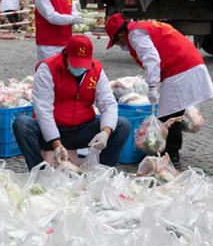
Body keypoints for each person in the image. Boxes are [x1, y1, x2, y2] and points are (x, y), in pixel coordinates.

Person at [104, 13, 213, 165]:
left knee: (169, 114)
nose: (121, 45)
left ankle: (171, 155)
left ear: (121, 34)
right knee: (173, 111)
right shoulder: (142, 28)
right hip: (186, 63)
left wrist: (152, 86)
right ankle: (168, 154)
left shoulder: (135, 35)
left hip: (180, 67)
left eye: (118, 42)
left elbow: (152, 59)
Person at [13, 35, 129, 171]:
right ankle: (39, 172)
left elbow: (108, 103)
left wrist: (105, 132)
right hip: (52, 131)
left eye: (83, 64)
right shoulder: (48, 69)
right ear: (66, 55)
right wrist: (56, 144)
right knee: (22, 124)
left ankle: (103, 172)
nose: (79, 67)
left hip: (82, 130)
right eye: (76, 63)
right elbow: (43, 110)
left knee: (122, 125)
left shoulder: (96, 69)